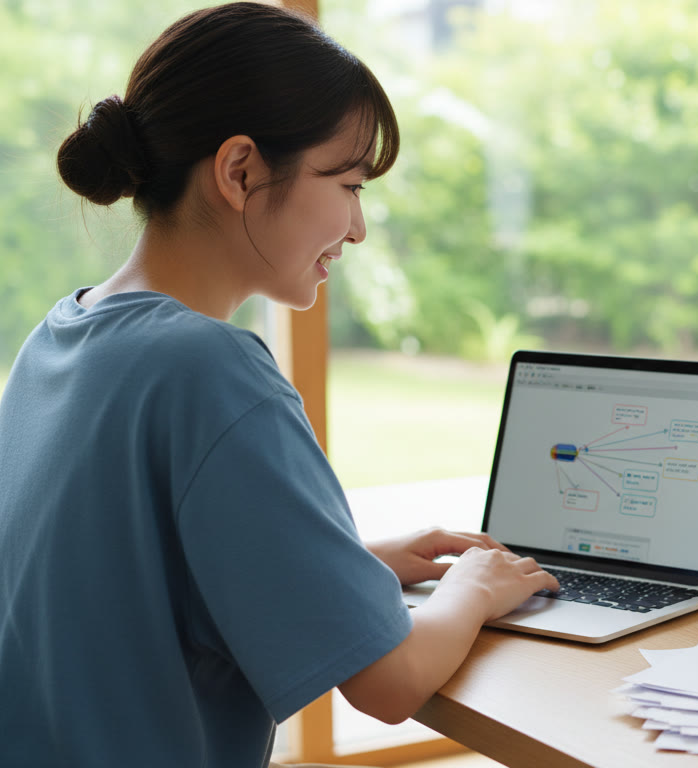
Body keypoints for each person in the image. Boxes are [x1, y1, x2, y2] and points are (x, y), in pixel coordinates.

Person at [0, 3, 559, 766]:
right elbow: (390, 684)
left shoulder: (60, 338)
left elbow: (123, 578)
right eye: (350, 182)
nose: (357, 227)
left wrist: (343, 564)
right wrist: (480, 585)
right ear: (240, 172)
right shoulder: (211, 369)